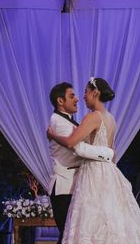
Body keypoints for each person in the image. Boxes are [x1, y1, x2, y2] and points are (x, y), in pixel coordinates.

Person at [46, 77, 140, 243]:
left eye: (85, 92)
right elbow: (114, 154)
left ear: (95, 92)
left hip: (93, 175)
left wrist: (52, 136)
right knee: (110, 222)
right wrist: (109, 153)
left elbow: (73, 144)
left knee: (90, 224)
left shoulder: (92, 117)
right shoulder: (111, 118)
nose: (82, 97)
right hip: (109, 174)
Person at [47, 82, 82, 244]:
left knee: (71, 236)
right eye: (71, 96)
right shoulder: (58, 121)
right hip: (64, 187)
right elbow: (75, 146)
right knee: (68, 236)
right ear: (60, 101)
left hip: (71, 186)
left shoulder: (68, 120)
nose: (77, 99)